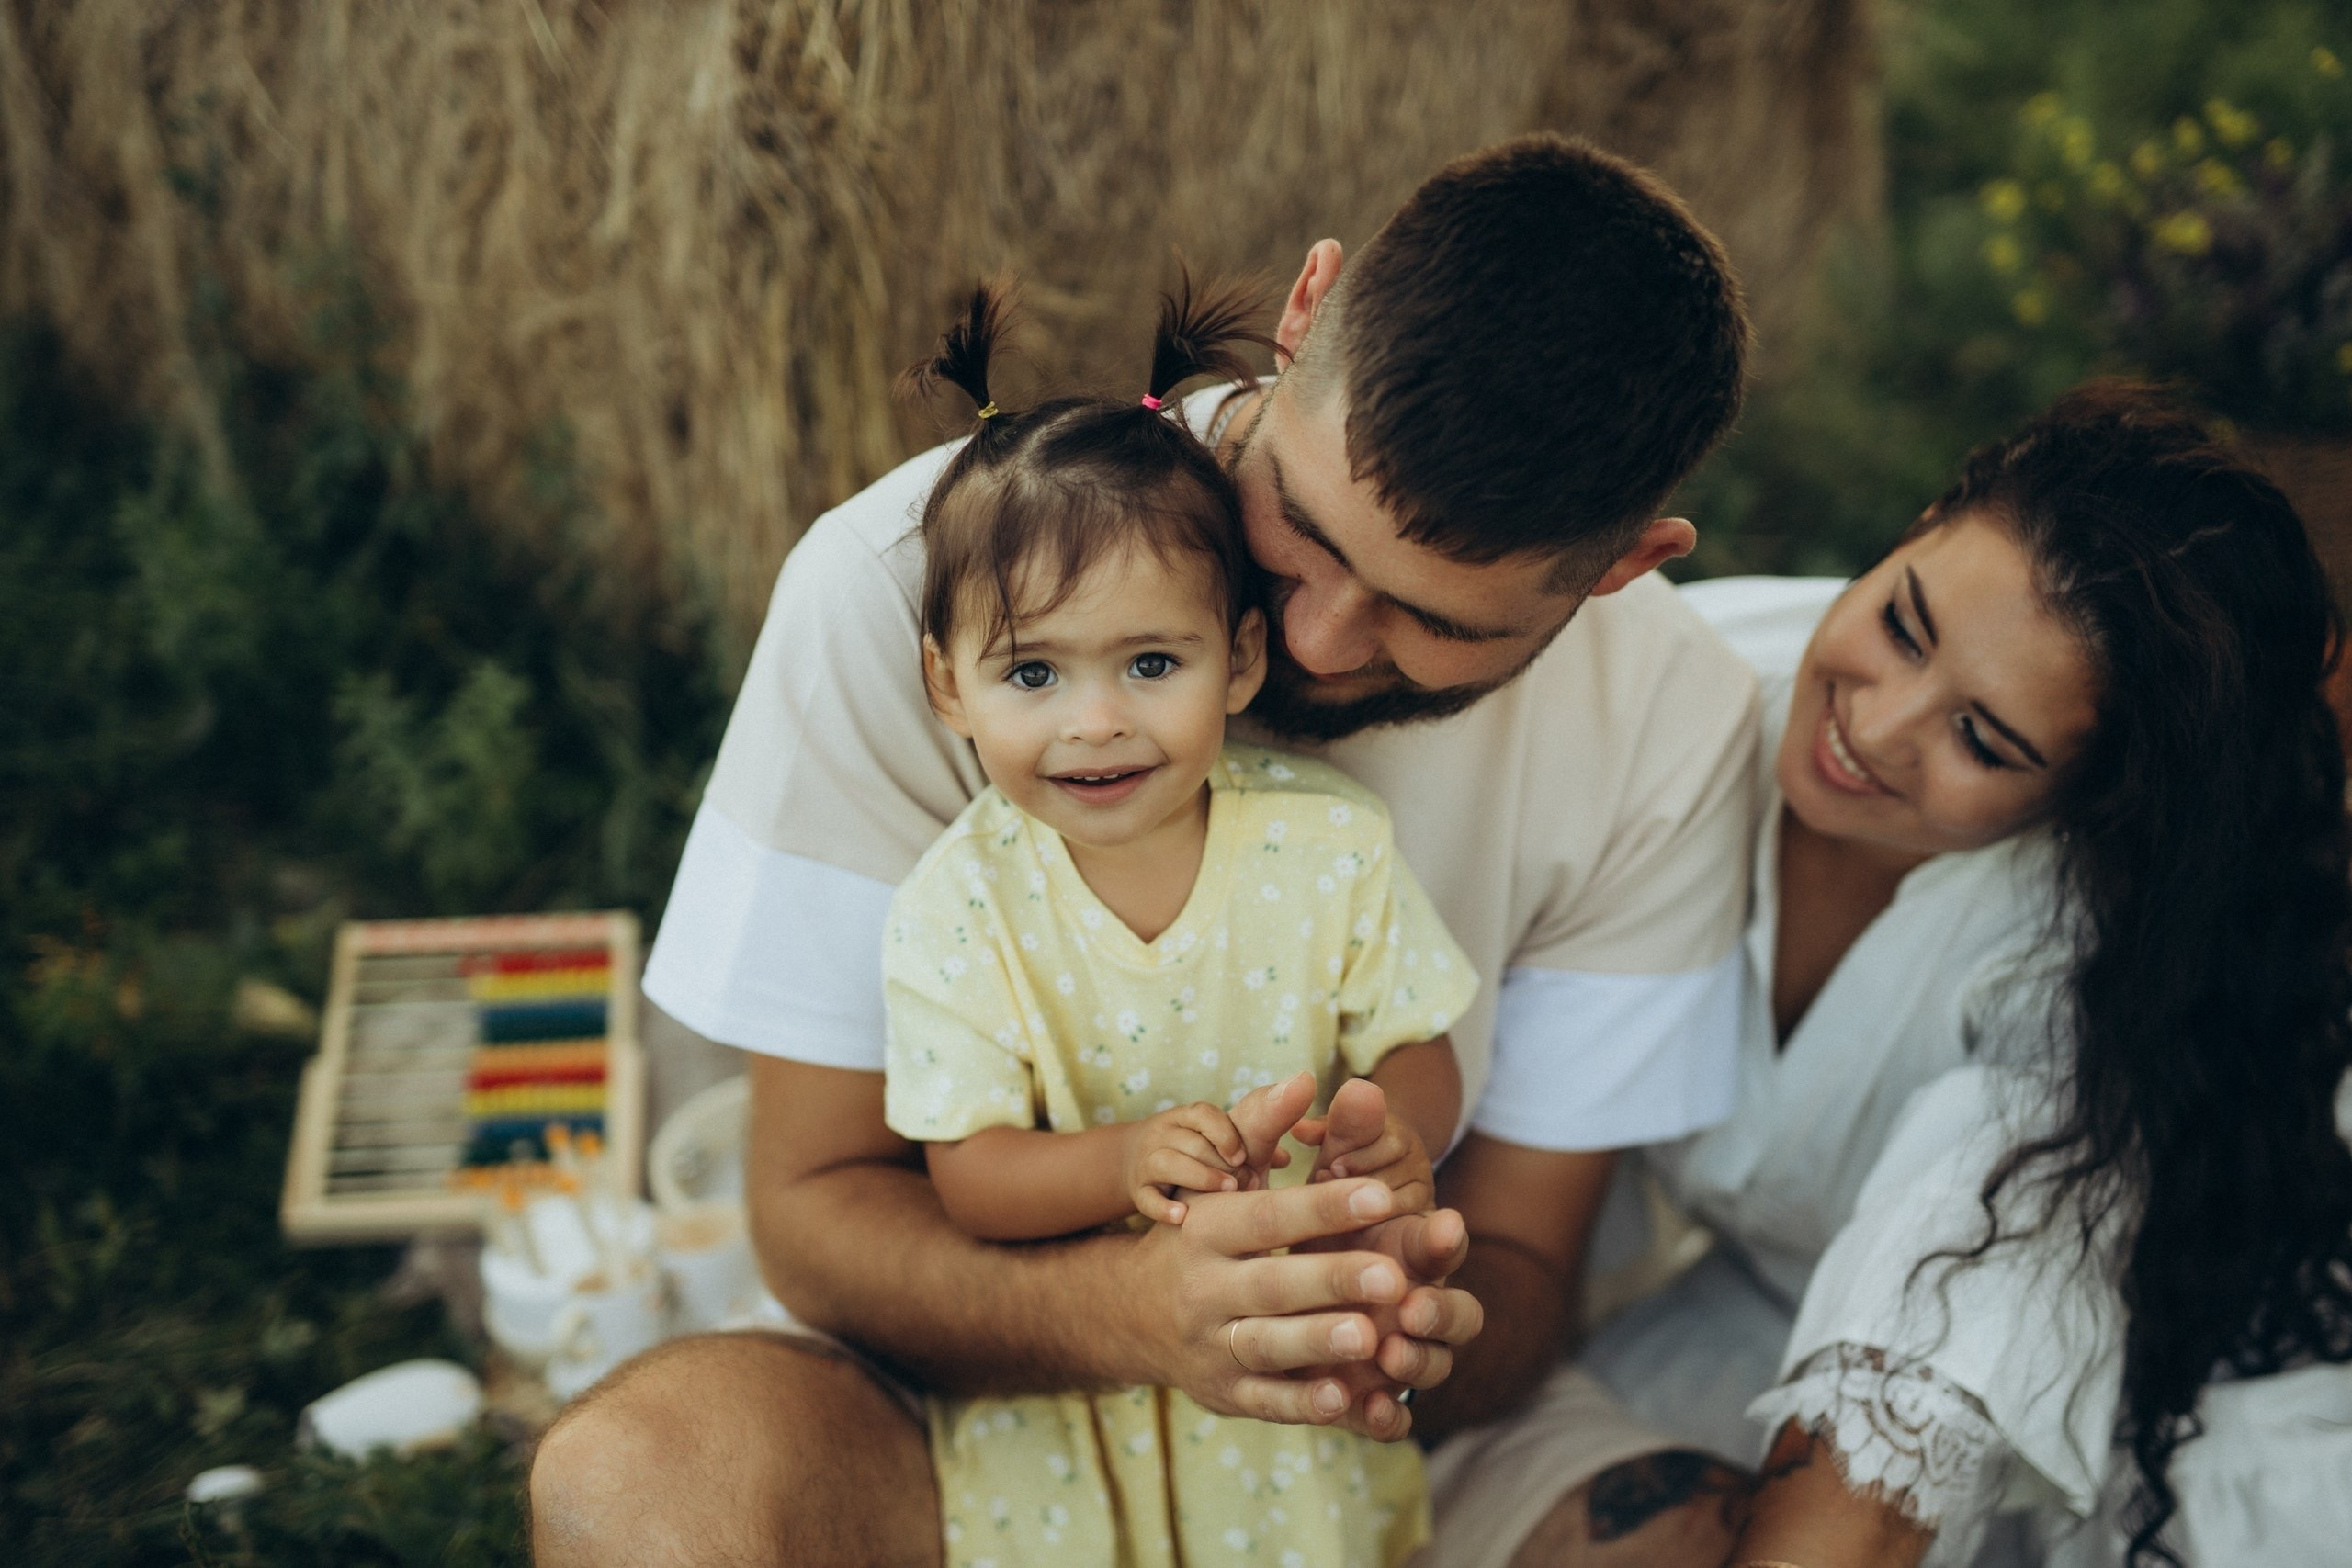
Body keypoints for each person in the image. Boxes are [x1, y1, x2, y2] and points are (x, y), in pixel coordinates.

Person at [529, 133, 1759, 1567]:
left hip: (1380, 1451)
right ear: (1304, 316)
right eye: (1301, 532)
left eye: (1438, 622)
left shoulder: (1667, 723)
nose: (1311, 641)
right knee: (641, 1488)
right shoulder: (904, 593)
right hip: (970, 1406)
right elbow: (813, 1214)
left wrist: (1380, 1317)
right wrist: (1142, 1311)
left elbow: (1530, 1267)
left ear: (1621, 569)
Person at [1421, 383, 2352, 1568]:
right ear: (1919, 525)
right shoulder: (1680, 684)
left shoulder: (2088, 987)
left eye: (1984, 739)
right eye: (1906, 624)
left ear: (2081, 800)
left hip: (2091, 1411)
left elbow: (1894, 1441)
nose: (1878, 722)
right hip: (1737, 1316)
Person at [882, 278, 1475, 1566]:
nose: (1095, 721)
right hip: (1073, 1408)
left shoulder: (1329, 850)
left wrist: (1396, 1139)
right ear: (949, 686)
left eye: (1152, 664)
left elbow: (1418, 1042)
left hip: (1285, 1379)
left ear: (1242, 663)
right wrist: (1121, 1162)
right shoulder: (957, 908)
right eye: (1033, 673)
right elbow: (969, 1175)